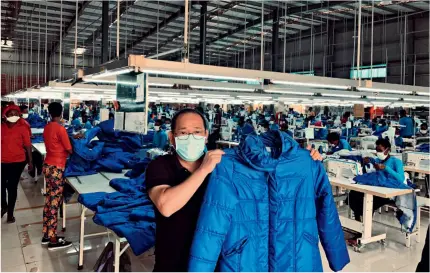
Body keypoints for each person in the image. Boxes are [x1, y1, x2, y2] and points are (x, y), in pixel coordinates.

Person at [145, 108, 323, 271]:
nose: (191, 137)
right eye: (183, 133)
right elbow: (166, 206)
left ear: (206, 135)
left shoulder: (225, 165)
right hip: (172, 263)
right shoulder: (160, 166)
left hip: (218, 262)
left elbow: (265, 178)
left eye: (197, 132)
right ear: (171, 137)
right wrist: (203, 170)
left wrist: (301, 159)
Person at [348, 138, 404, 222]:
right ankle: (358, 221)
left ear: (387, 150)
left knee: (368, 199)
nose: (378, 152)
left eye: (380, 150)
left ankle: (365, 225)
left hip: (389, 191)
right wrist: (366, 164)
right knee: (354, 193)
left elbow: (401, 179)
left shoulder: (396, 161)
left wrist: (386, 168)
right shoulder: (377, 160)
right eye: (376, 150)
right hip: (377, 187)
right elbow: (372, 175)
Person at [41, 102, 73, 250]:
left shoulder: (47, 128)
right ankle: (53, 239)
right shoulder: (60, 129)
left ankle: (46, 233)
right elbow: (69, 149)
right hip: (57, 167)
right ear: (61, 113)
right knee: (55, 202)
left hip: (47, 165)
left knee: (49, 200)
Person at [1, 104, 33, 223]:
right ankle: (3, 205)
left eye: (16, 114)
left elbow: (28, 146)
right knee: (1, 185)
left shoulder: (22, 128)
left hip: (17, 162)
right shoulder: (1, 128)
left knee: (12, 187)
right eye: (11, 114)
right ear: (5, 115)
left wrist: (30, 161)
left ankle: (10, 213)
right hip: (2, 161)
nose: (13, 116)